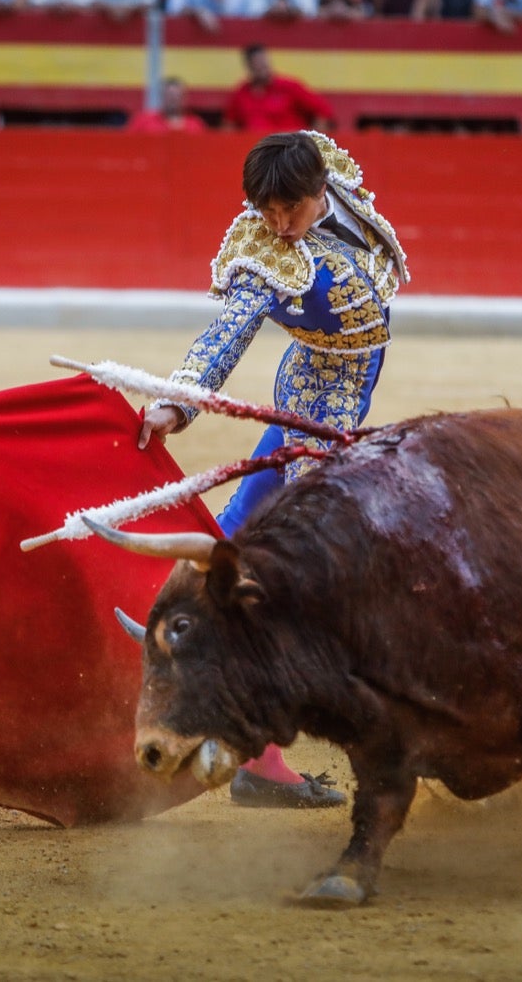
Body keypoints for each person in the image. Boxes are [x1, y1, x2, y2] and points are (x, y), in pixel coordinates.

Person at [136, 131, 410, 809]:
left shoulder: (329, 174)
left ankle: (171, 623)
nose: (278, 226)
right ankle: (259, 738)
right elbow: (225, 335)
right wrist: (178, 403)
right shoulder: (265, 254)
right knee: (290, 567)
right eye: (267, 212)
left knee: (246, 530)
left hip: (341, 387)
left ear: (319, 191)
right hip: (319, 396)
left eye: (289, 210)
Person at [223, 44, 332, 131]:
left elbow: (323, 111)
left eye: (264, 63)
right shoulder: (241, 94)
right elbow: (229, 125)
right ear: (249, 67)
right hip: (255, 151)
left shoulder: (289, 87)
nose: (262, 67)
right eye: (257, 64)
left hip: (289, 150)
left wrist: (315, 144)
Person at [124, 76, 207, 133]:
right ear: (161, 96)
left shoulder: (196, 125)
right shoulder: (143, 121)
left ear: (185, 98)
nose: (173, 99)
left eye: (177, 95)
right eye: (169, 95)